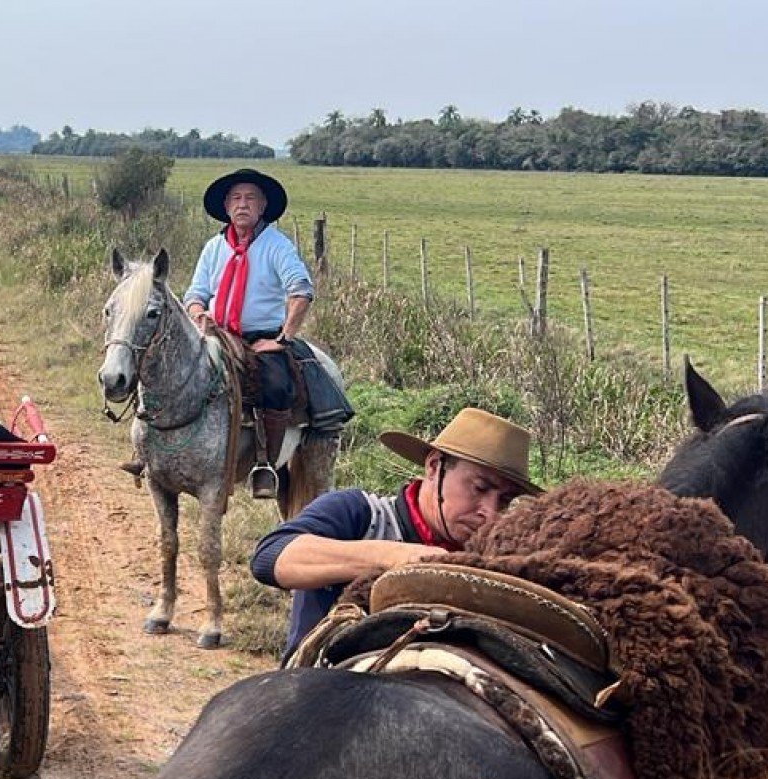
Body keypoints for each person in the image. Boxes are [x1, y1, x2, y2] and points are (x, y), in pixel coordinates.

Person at [251, 407, 540, 660]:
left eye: (504, 500)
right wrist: (400, 556)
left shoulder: (492, 557)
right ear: (434, 466)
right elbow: (269, 557)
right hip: (315, 689)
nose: (490, 513)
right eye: (479, 488)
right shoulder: (359, 513)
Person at [151, 168, 315, 499]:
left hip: (261, 338)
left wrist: (283, 338)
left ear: (263, 206)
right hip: (216, 332)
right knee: (164, 369)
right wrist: (199, 314)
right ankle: (153, 452)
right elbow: (195, 293)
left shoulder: (277, 246)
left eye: (251, 198)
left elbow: (300, 290)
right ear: (226, 206)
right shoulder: (214, 247)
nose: (243, 205)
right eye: (236, 198)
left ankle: (265, 465)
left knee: (275, 385)